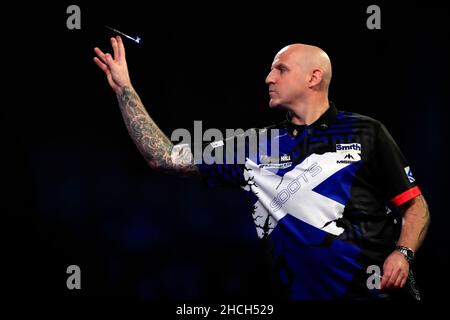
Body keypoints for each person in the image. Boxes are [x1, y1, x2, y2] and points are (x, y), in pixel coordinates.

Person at [93, 36, 430, 300]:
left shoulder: (366, 132)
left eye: (280, 69)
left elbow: (416, 206)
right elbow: (164, 157)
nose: (268, 77)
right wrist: (125, 90)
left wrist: (403, 253)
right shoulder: (255, 146)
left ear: (314, 77)